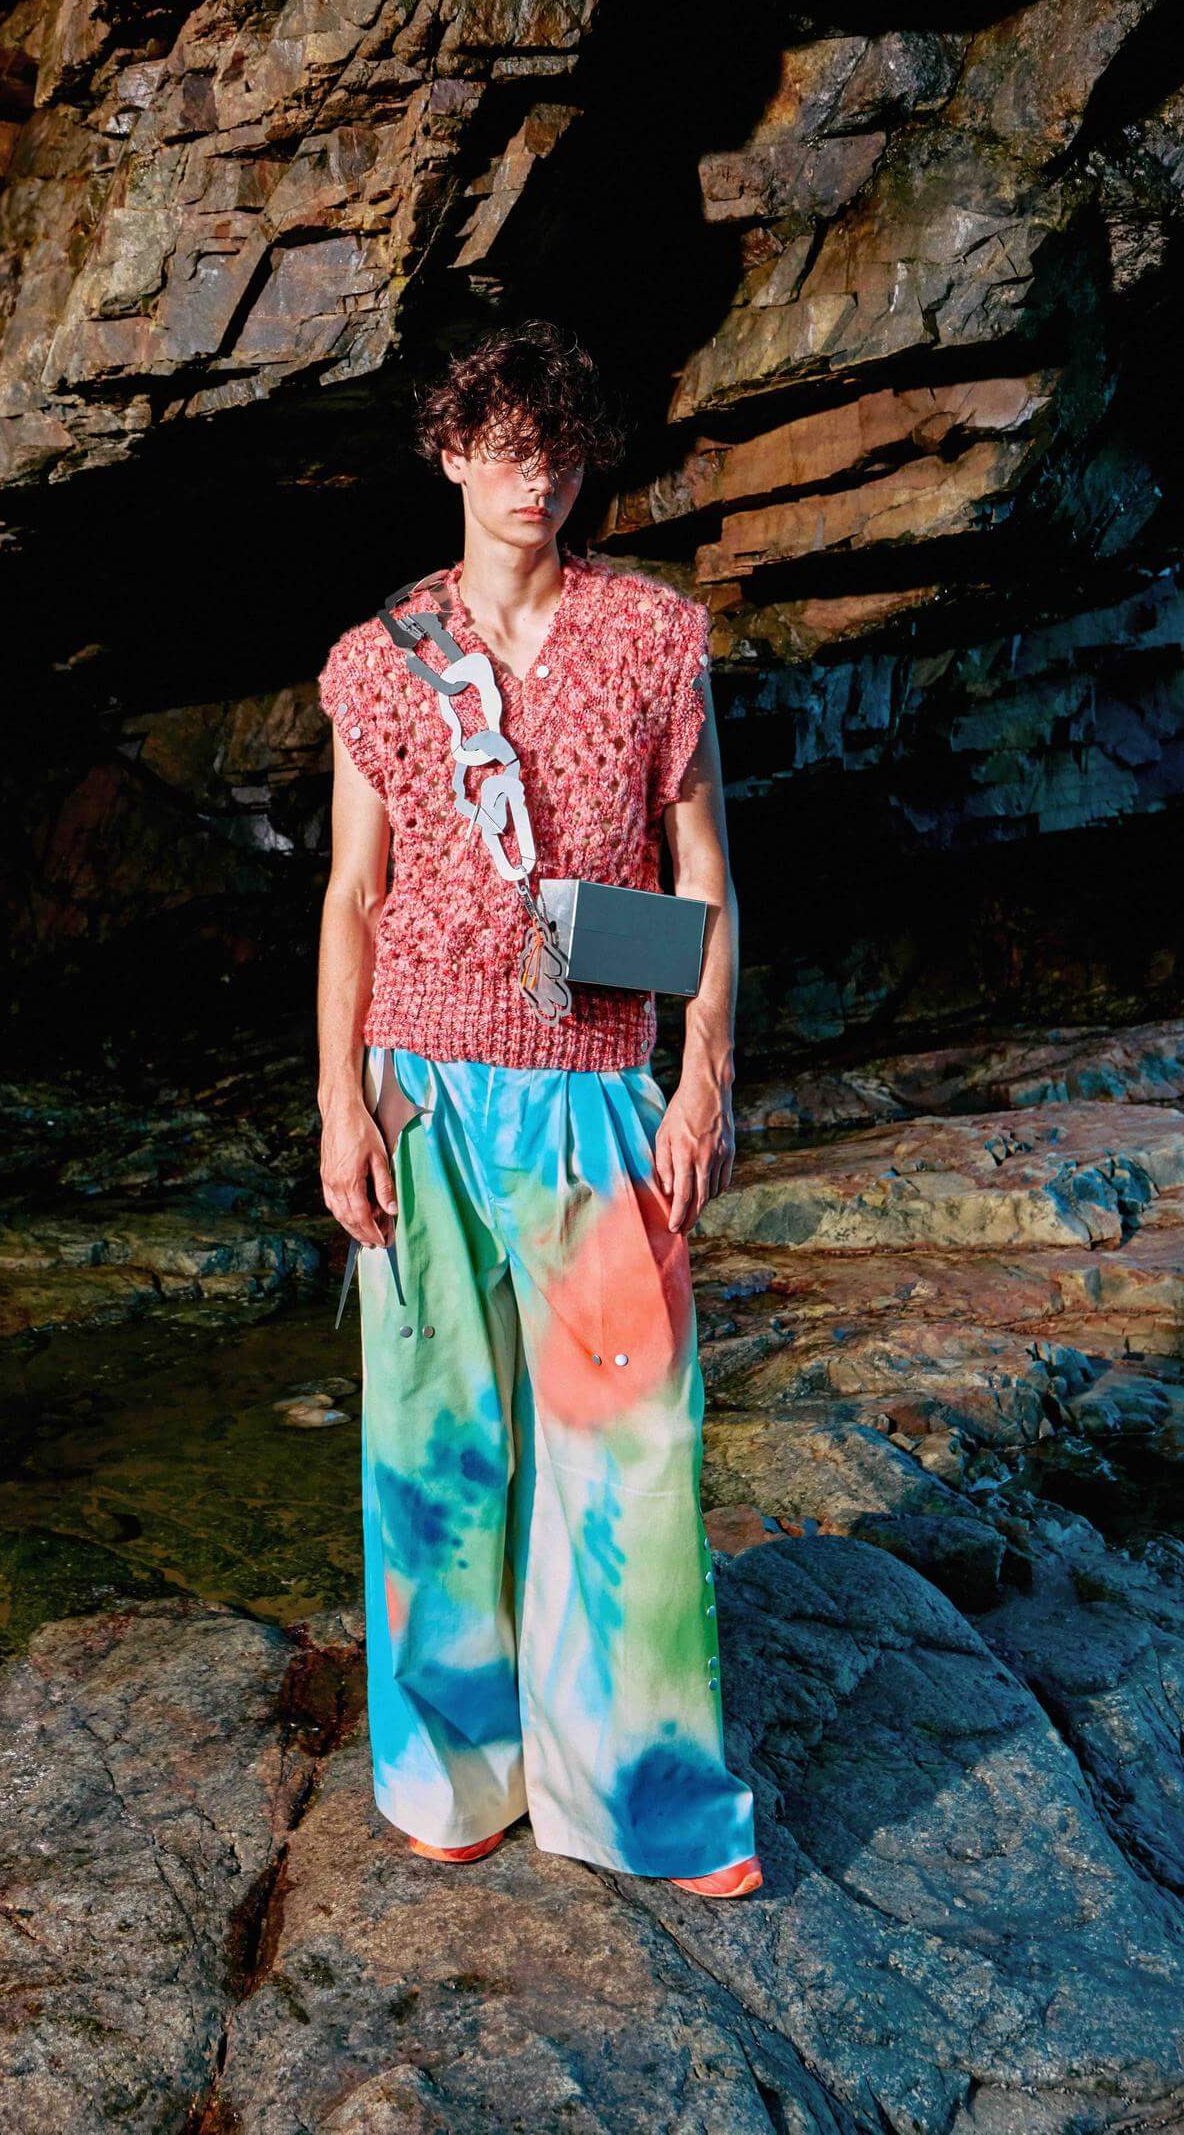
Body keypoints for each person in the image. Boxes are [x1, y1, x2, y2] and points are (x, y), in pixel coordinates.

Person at [315, 318, 761, 1899]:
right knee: (436, 1447)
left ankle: (640, 1800)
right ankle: (449, 1778)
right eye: (508, 448)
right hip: (420, 1094)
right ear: (451, 454)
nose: (538, 479)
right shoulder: (380, 661)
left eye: (562, 452)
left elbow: (704, 875)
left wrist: (703, 1079)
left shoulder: (653, 636)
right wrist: (337, 1105)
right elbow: (352, 896)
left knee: (633, 1445)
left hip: (593, 1089)